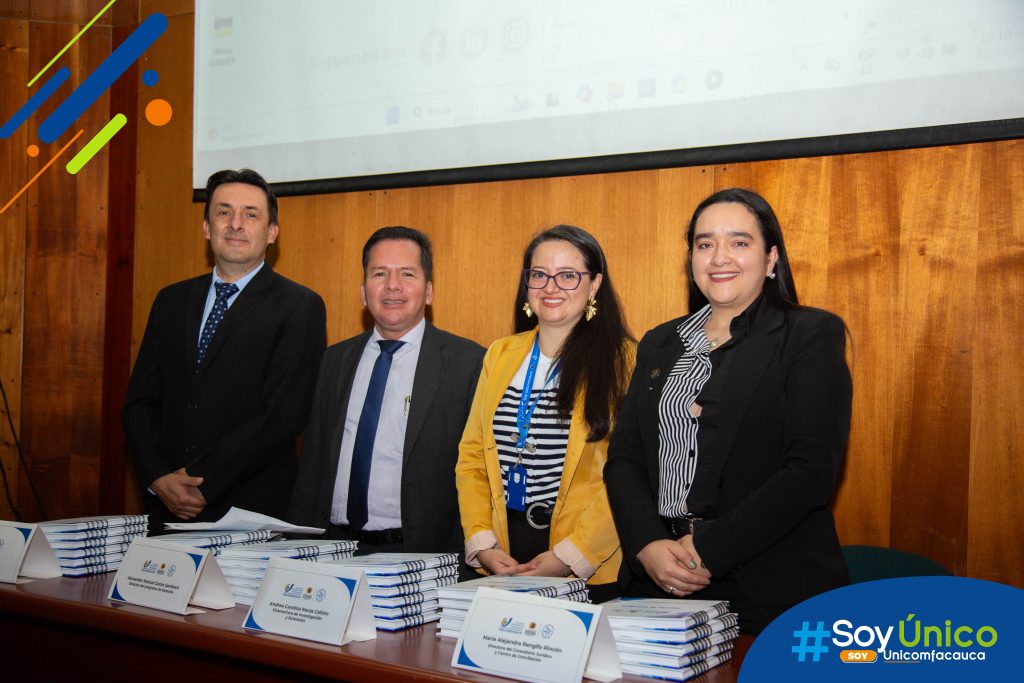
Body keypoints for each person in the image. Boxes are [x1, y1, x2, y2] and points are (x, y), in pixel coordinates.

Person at [605, 187, 852, 633]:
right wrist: (648, 543)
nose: (719, 257)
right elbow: (624, 457)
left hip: (769, 589)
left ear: (771, 257)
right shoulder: (660, 342)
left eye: (739, 242)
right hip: (659, 579)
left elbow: (810, 472)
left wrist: (708, 549)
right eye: (705, 244)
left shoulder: (810, 335)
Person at [122, 168, 327, 531]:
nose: (236, 224)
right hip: (164, 505)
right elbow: (140, 401)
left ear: (272, 233)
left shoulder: (299, 306)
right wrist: (158, 478)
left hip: (248, 509)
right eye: (223, 212)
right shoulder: (171, 300)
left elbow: (282, 414)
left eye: (251, 214)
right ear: (206, 227)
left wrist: (202, 481)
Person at [456, 225, 634, 602]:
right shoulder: (500, 354)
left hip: (584, 559)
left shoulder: (624, 360)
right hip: (503, 550)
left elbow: (630, 475)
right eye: (539, 275)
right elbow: (471, 458)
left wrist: (569, 557)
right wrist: (483, 543)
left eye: (568, 276)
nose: (551, 287)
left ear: (595, 284)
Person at [287, 226, 485, 557]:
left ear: (429, 291)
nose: (392, 285)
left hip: (420, 555)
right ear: (364, 292)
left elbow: (479, 473)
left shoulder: (467, 363)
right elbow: (313, 463)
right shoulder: (335, 360)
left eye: (407, 273)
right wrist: (297, 548)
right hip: (332, 548)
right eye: (380, 273)